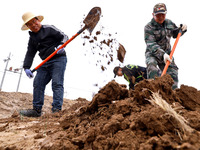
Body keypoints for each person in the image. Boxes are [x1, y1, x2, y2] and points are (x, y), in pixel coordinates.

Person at [20, 12, 69, 117]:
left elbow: (64, 36)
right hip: (45, 62)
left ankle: (56, 110)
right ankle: (36, 110)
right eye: (30, 24)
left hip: (58, 59)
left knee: (57, 83)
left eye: (34, 21)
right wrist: (26, 67)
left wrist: (61, 46)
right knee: (38, 83)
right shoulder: (32, 38)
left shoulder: (49, 28)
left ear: (38, 20)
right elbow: (30, 53)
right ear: (28, 27)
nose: (34, 25)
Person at [144, 3, 187, 89]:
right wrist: (162, 54)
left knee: (173, 72)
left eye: (162, 15)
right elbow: (151, 44)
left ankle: (173, 94)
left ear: (165, 14)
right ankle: (153, 92)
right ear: (153, 15)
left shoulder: (169, 23)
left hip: (168, 54)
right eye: (158, 15)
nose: (160, 17)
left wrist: (182, 30)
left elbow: (175, 34)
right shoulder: (148, 27)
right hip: (153, 54)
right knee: (152, 67)